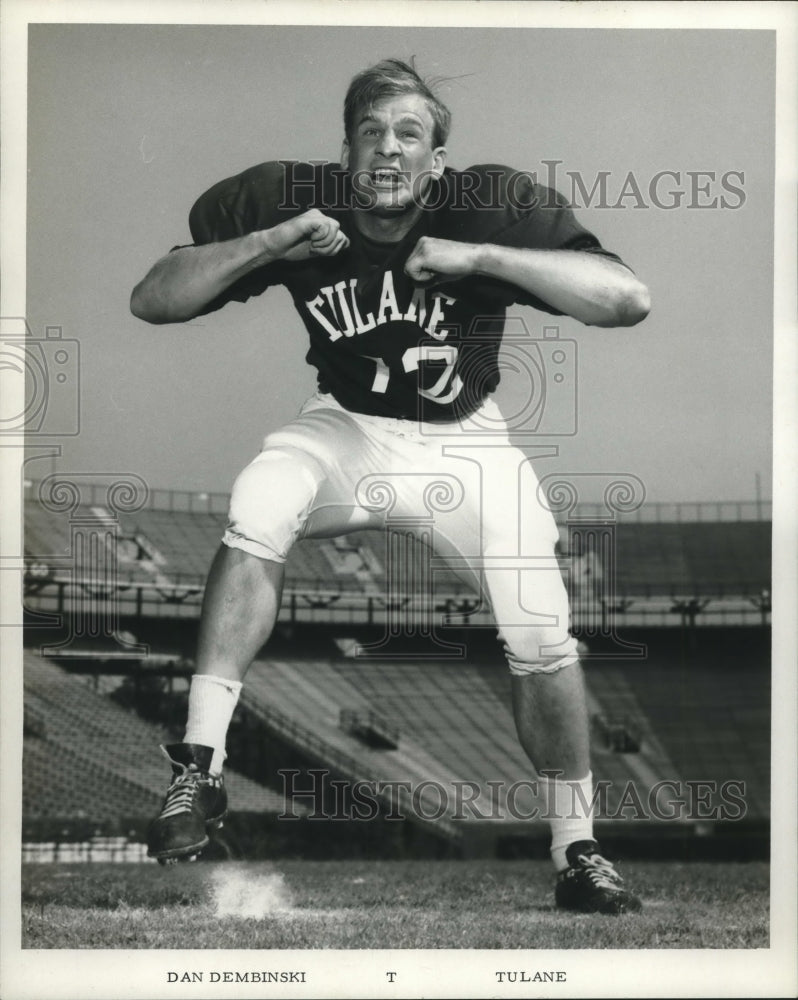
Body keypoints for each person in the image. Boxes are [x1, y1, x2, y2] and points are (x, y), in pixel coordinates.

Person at [131, 58, 650, 914]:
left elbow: (627, 298)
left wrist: (485, 256)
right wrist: (270, 243)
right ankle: (199, 774)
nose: (388, 147)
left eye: (409, 133)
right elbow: (153, 300)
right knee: (261, 498)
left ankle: (578, 852)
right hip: (349, 427)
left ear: (437, 160)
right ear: (345, 152)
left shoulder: (486, 204)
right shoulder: (293, 204)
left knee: (542, 628)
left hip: (466, 446)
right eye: (370, 131)